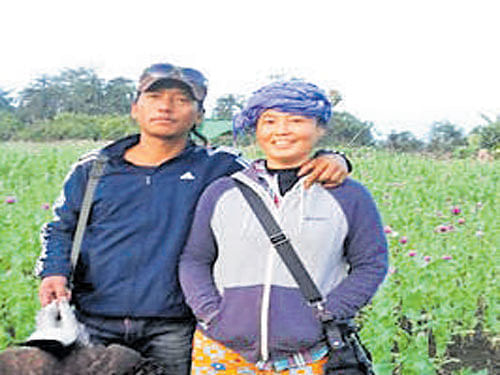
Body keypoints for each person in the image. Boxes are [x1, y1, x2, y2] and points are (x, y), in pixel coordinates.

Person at [36, 63, 352, 374]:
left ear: (199, 115)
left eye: (182, 100)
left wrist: (332, 158)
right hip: (94, 318)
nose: (166, 107)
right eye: (155, 98)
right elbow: (60, 229)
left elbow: (279, 172)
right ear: (135, 108)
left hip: (177, 325)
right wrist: (53, 272)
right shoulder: (95, 168)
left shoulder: (220, 167)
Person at [179, 80, 388, 374]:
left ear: (320, 129)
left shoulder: (349, 196)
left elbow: (372, 264)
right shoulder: (223, 191)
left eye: (296, 120)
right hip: (221, 352)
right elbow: (194, 259)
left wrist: (328, 313)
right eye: (270, 121)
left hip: (309, 355)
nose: (281, 130)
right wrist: (212, 313)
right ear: (257, 128)